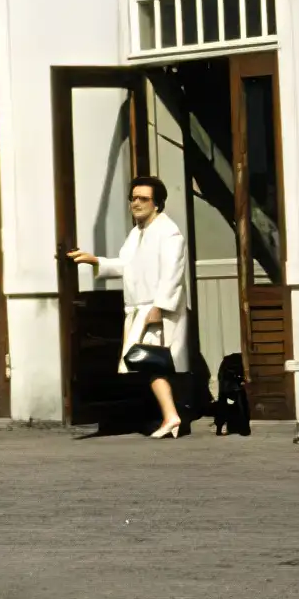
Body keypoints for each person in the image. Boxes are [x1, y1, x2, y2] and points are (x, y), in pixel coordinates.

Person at [67, 176, 193, 439]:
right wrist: (93, 260)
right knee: (146, 363)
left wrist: (160, 307)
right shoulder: (137, 233)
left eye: (143, 198)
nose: (136, 203)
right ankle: (168, 415)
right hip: (138, 307)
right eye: (133, 198)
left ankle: (172, 416)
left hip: (156, 307)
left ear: (157, 203)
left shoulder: (169, 232)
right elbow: (124, 264)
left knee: (152, 363)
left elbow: (173, 273)